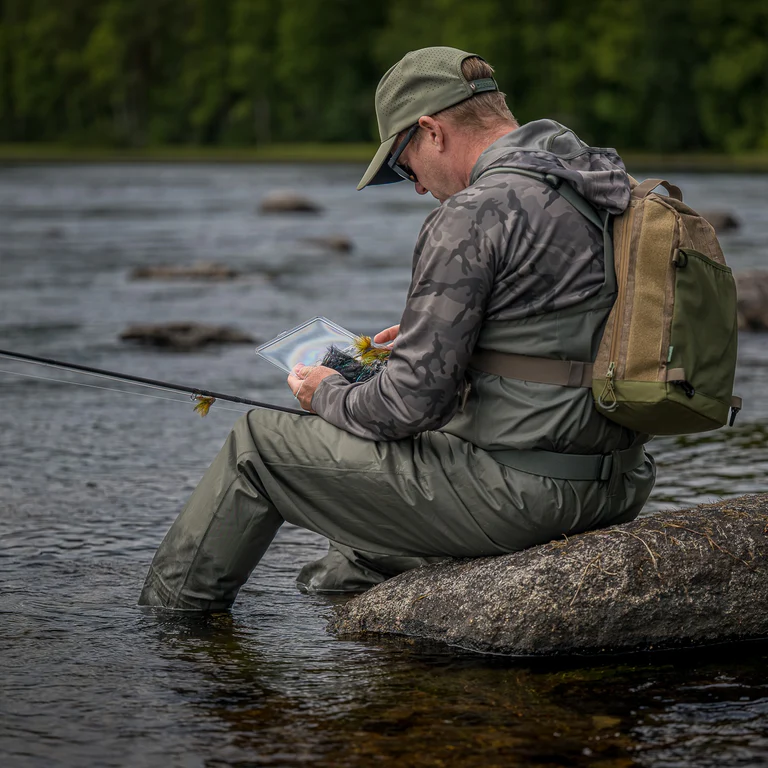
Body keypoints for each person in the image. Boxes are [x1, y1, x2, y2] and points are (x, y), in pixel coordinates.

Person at [139, 46, 655, 610]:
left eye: (405, 165)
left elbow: (409, 408)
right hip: (619, 483)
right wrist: (443, 335)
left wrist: (326, 392)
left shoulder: (473, 212)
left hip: (531, 494)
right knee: (344, 567)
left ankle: (167, 636)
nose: (414, 186)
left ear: (431, 130)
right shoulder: (599, 185)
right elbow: (560, 328)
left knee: (257, 446)